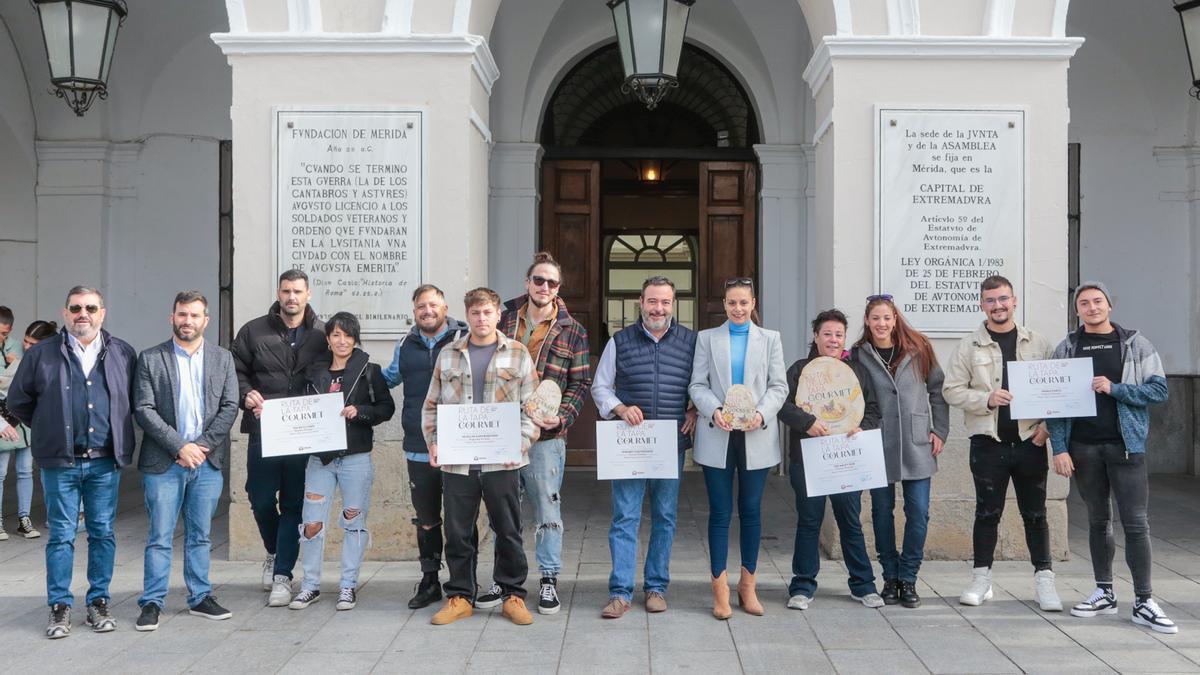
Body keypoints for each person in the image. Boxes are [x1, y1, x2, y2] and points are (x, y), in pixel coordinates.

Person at [7, 286, 137, 638]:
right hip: (59, 463)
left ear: (102, 312)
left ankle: (98, 602)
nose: (84, 313)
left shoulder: (121, 352)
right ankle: (59, 607)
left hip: (104, 462)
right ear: (65, 313)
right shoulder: (42, 354)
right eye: (76, 308)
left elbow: (132, 401)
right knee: (61, 536)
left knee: (102, 533)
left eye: (90, 307)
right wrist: (49, 427)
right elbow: (18, 401)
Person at [1048, 282, 1176, 634]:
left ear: (1109, 306)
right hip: (1084, 449)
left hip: (1125, 446)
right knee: (1097, 521)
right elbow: (1055, 403)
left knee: (1136, 524)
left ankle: (1144, 600)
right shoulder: (1068, 347)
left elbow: (1159, 389)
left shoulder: (1135, 344)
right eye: (1084, 303)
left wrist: (1115, 388)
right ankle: (1104, 592)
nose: (1091, 307)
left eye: (1097, 301)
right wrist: (1059, 448)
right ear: (1077, 310)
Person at [943, 275, 1061, 611]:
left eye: (1003, 299)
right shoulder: (969, 346)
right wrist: (987, 398)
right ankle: (982, 579)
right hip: (988, 443)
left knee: (1036, 514)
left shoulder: (1038, 343)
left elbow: (1060, 392)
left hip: (1030, 442)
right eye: (991, 300)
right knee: (987, 513)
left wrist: (1046, 430)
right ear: (982, 304)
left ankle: (1044, 580)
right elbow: (951, 390)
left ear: (1015, 301)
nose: (998, 305)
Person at [422, 288, 538, 627]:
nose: (481, 318)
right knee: (458, 531)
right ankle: (460, 596)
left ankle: (512, 594)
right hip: (458, 461)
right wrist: (434, 442)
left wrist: (520, 443)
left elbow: (531, 408)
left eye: (487, 312)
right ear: (467, 315)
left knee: (508, 530)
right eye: (475, 313)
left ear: (498, 314)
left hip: (503, 460)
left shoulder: (517, 354)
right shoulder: (448, 355)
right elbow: (431, 405)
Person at [591, 276, 698, 619]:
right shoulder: (619, 342)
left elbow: (702, 384)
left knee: (665, 517)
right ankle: (620, 592)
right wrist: (620, 408)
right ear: (641, 302)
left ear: (673, 304)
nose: (659, 308)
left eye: (665, 302)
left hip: (669, 444)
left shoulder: (690, 343)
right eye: (653, 301)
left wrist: (695, 409)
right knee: (625, 517)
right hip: (629, 446)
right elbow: (600, 387)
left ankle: (656, 588)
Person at [133, 291, 240, 631]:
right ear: (172, 317)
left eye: (195, 315)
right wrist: (180, 446)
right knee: (160, 536)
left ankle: (199, 596)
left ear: (205, 320)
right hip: (165, 462)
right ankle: (152, 601)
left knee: (200, 535)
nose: (188, 321)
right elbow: (144, 409)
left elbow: (230, 406)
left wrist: (201, 447)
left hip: (205, 464)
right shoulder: (151, 358)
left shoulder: (223, 359)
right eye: (182, 314)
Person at [492, 251, 591, 615]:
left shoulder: (573, 330)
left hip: (546, 438)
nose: (544, 287)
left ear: (558, 288)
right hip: (502, 432)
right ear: (527, 283)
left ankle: (548, 579)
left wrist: (562, 418)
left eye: (551, 282)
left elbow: (580, 384)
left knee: (548, 509)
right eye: (538, 280)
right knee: (503, 511)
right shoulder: (501, 320)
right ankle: (504, 579)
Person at [688, 277, 787, 619]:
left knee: (751, 511)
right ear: (724, 304)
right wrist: (713, 410)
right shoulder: (707, 339)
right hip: (719, 433)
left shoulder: (771, 339)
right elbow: (697, 384)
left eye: (744, 302)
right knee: (718, 513)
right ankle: (720, 590)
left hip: (757, 435)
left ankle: (748, 587)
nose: (738, 309)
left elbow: (779, 386)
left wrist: (762, 414)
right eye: (732, 302)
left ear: (753, 303)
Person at [231, 269, 328, 607]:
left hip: (304, 435)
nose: (291, 297)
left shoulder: (322, 335)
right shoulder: (253, 331)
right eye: (286, 291)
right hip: (264, 428)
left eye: (297, 291)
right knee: (258, 498)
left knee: (293, 504)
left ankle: (283, 575)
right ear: (278, 292)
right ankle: (274, 550)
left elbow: (333, 372)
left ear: (308, 294)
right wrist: (246, 393)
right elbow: (235, 368)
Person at [290, 312, 395, 611]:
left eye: (348, 335)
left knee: (354, 521)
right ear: (328, 339)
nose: (342, 340)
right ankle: (310, 585)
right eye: (336, 334)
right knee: (311, 522)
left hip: (355, 459)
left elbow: (385, 408)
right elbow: (296, 408)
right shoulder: (313, 373)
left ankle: (348, 585)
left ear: (355, 338)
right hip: (319, 461)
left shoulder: (369, 371)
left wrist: (359, 410)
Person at [779, 309, 883, 610]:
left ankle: (863, 585)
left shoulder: (856, 372)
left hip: (847, 457)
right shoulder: (800, 370)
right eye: (827, 334)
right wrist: (807, 422)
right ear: (816, 337)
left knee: (850, 520)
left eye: (839, 334)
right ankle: (802, 586)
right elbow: (781, 405)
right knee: (809, 521)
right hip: (809, 457)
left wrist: (862, 427)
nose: (833, 339)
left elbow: (874, 410)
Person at [851, 295, 949, 608]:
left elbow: (938, 390)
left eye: (886, 318)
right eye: (875, 318)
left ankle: (909, 577)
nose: (881, 324)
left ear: (895, 319)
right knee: (881, 512)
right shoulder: (857, 354)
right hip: (877, 442)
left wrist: (940, 430)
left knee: (918, 512)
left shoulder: (919, 347)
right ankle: (889, 577)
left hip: (917, 440)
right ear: (867, 321)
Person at [382, 284, 468, 609]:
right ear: (414, 310)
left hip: (460, 446)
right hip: (419, 446)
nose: (427, 311)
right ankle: (430, 580)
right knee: (427, 518)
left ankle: (464, 582)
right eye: (421, 306)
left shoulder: (464, 340)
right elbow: (388, 378)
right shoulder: (405, 345)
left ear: (445, 308)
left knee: (461, 518)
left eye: (433, 305)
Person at [0, 320, 57, 540]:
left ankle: (24, 519)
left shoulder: (44, 358)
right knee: (1, 472)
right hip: (5, 418)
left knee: (25, 471)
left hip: (27, 421)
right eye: (25, 342)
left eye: (32, 343)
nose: (26, 346)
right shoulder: (21, 354)